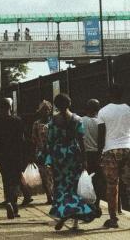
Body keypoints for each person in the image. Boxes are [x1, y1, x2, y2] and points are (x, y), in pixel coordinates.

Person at [46, 94, 97, 231]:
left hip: (59, 157)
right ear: (70, 103)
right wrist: (84, 160)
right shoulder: (77, 119)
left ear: (56, 105)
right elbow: (81, 141)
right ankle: (75, 222)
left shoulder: (53, 121)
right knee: (74, 187)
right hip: (73, 155)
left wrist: (49, 159)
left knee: (61, 187)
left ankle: (63, 213)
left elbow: (50, 141)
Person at [97, 84, 130, 228]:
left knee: (112, 185)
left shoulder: (103, 111)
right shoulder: (128, 109)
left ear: (109, 94)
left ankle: (113, 219)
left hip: (110, 150)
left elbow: (101, 134)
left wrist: (100, 153)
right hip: (128, 148)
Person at [0, 98, 26, 219]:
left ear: (1, 108)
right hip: (16, 156)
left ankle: (8, 202)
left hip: (3, 155)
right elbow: (22, 140)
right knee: (15, 181)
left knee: (6, 181)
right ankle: (14, 205)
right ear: (10, 108)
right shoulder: (17, 121)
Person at [81, 99, 105, 215]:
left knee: (85, 181)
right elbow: (102, 140)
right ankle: (97, 205)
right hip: (97, 154)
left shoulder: (81, 121)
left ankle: (86, 206)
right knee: (98, 181)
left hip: (85, 155)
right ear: (98, 109)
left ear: (86, 108)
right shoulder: (100, 122)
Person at [31, 100, 53, 204]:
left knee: (52, 175)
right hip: (41, 153)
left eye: (47, 109)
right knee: (44, 175)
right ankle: (49, 196)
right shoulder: (36, 124)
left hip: (52, 152)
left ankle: (53, 195)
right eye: (43, 110)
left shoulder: (54, 122)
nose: (45, 112)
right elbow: (34, 139)